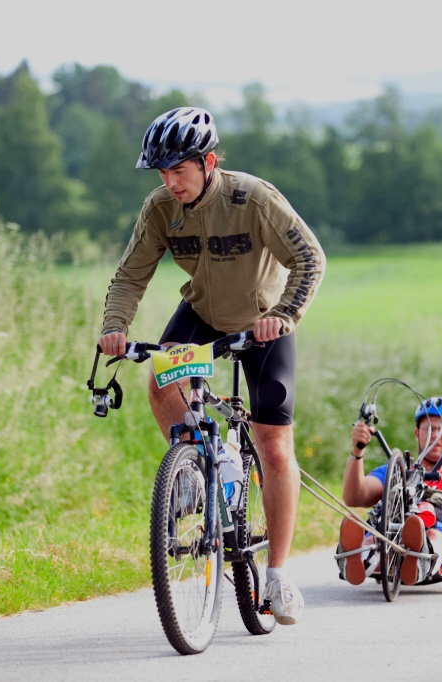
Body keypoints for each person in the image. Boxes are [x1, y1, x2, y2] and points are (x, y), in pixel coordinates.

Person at [98, 106, 326, 624]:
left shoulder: (254, 199)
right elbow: (131, 275)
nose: (169, 182)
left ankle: (279, 574)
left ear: (209, 162)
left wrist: (286, 314)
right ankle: (198, 466)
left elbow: (310, 257)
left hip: (264, 324)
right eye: (162, 172)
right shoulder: (160, 207)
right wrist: (115, 327)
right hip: (202, 314)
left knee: (273, 444)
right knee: (162, 380)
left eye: (179, 170)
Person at [336, 396, 442, 586]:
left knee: (437, 534)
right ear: (417, 433)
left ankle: (422, 558)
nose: (435, 435)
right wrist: (357, 452)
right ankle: (359, 559)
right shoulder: (396, 470)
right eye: (429, 429)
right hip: (394, 525)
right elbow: (355, 496)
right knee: (376, 535)